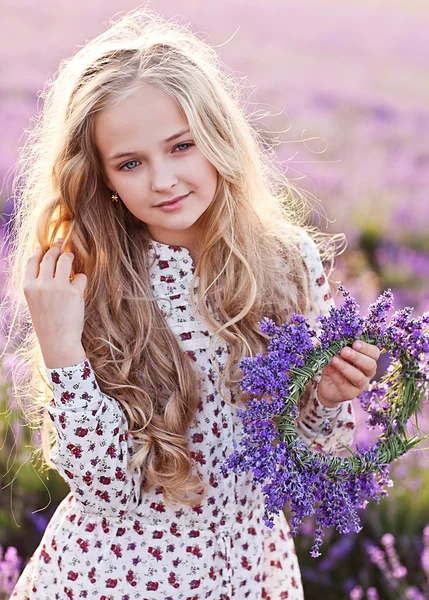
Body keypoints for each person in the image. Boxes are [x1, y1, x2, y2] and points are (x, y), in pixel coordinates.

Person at [5, 6, 380, 599]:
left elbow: (301, 466)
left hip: (251, 572)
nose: (162, 180)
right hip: (117, 579)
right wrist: (61, 347)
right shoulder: (90, 280)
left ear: (217, 136)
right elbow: (106, 488)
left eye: (181, 146)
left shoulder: (287, 262)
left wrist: (327, 401)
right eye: (130, 163)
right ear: (101, 177)